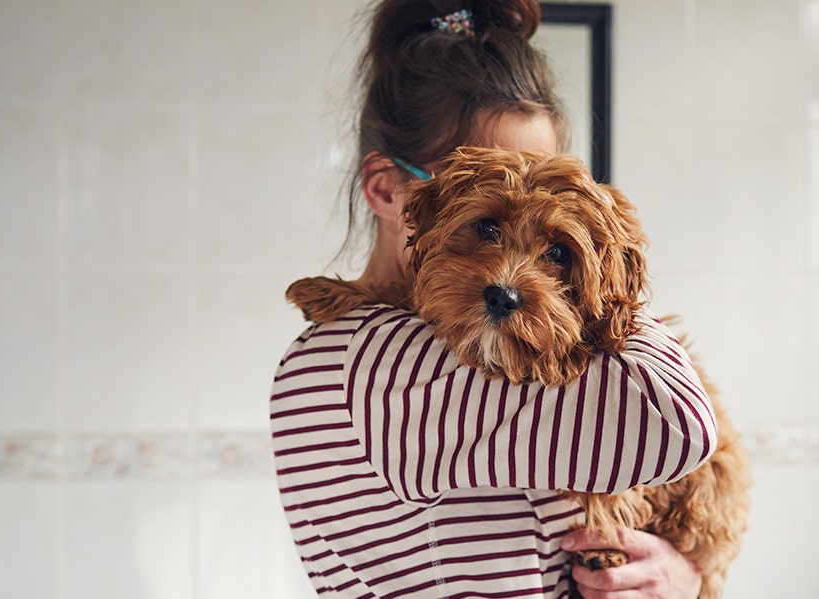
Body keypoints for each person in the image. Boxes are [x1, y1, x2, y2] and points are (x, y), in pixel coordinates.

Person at [271, 1, 716, 597]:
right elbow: (677, 423)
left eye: (547, 186)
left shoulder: (386, 349)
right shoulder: (379, 356)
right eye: (486, 217)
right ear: (390, 190)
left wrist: (684, 578)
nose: (512, 273)